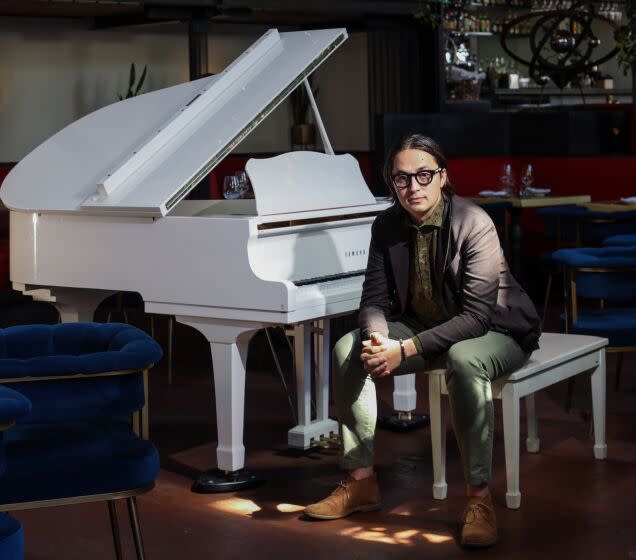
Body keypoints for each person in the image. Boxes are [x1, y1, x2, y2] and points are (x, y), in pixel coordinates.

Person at [304, 134, 541, 548]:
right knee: (348, 349)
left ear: (442, 177)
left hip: (495, 330)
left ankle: (479, 499)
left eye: (423, 175)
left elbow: (476, 317)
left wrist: (404, 351)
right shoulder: (387, 224)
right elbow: (373, 299)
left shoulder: (473, 221)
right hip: (421, 327)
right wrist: (379, 340)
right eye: (401, 178)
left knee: (465, 359)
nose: (412, 186)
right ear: (391, 183)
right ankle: (361, 482)